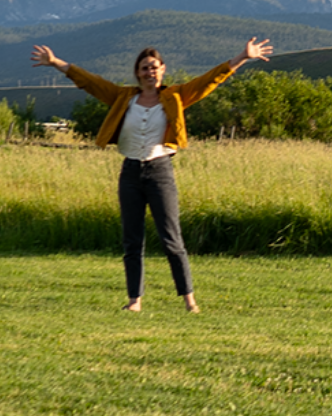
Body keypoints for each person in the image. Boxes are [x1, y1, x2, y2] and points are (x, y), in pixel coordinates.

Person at [31, 38, 275, 313]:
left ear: (163, 70)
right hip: (131, 172)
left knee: (172, 239)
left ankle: (189, 300)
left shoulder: (176, 96)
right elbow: (90, 82)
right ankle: (135, 301)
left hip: (160, 171)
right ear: (138, 73)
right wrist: (56, 63)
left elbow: (209, 81)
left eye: (154, 67)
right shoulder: (123, 97)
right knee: (132, 241)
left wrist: (242, 57)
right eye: (145, 68)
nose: (150, 72)